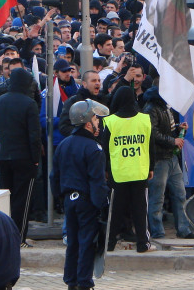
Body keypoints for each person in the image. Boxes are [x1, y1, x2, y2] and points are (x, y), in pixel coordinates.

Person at [50, 100, 110, 290]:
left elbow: (54, 176)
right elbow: (97, 181)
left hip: (69, 200)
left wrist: (61, 198)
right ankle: (84, 283)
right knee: (86, 243)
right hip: (86, 202)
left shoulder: (64, 144)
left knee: (72, 242)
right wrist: (102, 205)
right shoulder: (94, 148)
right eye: (95, 119)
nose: (98, 123)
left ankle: (71, 281)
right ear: (87, 123)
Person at [102, 85, 154, 253]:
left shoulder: (110, 121)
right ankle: (142, 243)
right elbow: (150, 146)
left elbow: (105, 150)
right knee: (140, 210)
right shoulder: (145, 119)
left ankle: (109, 243)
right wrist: (151, 167)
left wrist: (106, 170)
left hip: (118, 172)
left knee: (115, 211)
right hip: (140, 171)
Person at [143, 86, 194, 240]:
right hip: (160, 158)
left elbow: (160, 131)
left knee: (179, 194)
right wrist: (173, 139)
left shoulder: (162, 108)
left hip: (169, 157)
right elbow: (152, 133)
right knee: (158, 197)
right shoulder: (152, 109)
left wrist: (177, 132)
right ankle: (158, 231)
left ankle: (182, 229)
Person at [0, 67, 41, 244]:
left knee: (6, 198)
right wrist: (35, 159)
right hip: (24, 158)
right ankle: (19, 236)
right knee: (23, 199)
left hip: (3, 157)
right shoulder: (29, 103)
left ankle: (6, 236)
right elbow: (34, 135)